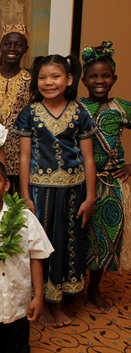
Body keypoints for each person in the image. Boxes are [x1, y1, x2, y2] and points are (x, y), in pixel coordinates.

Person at [13, 54, 97, 327]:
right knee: (41, 245)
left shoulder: (80, 113)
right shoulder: (30, 113)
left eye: (55, 76)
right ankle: (41, 303)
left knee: (66, 243)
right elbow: (24, 156)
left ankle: (57, 302)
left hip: (73, 192)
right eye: (42, 77)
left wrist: (91, 196)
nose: (49, 82)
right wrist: (25, 195)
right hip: (39, 192)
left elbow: (88, 158)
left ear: (69, 79)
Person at [0, 157, 53, 353]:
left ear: (6, 184)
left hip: (17, 306)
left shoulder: (24, 216)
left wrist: (38, 296)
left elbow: (37, 255)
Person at [78, 41, 131, 310]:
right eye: (93, 76)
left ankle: (94, 287)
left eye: (105, 75)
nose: (100, 81)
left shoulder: (123, 108)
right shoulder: (76, 106)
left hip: (111, 184)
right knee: (80, 235)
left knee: (107, 234)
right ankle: (72, 285)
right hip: (80, 183)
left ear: (114, 78)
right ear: (84, 80)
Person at [0, 24, 31, 192]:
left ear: (26, 49)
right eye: (7, 43)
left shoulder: (32, 82)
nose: (12, 48)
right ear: (0, 46)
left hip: (21, 158)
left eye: (18, 44)